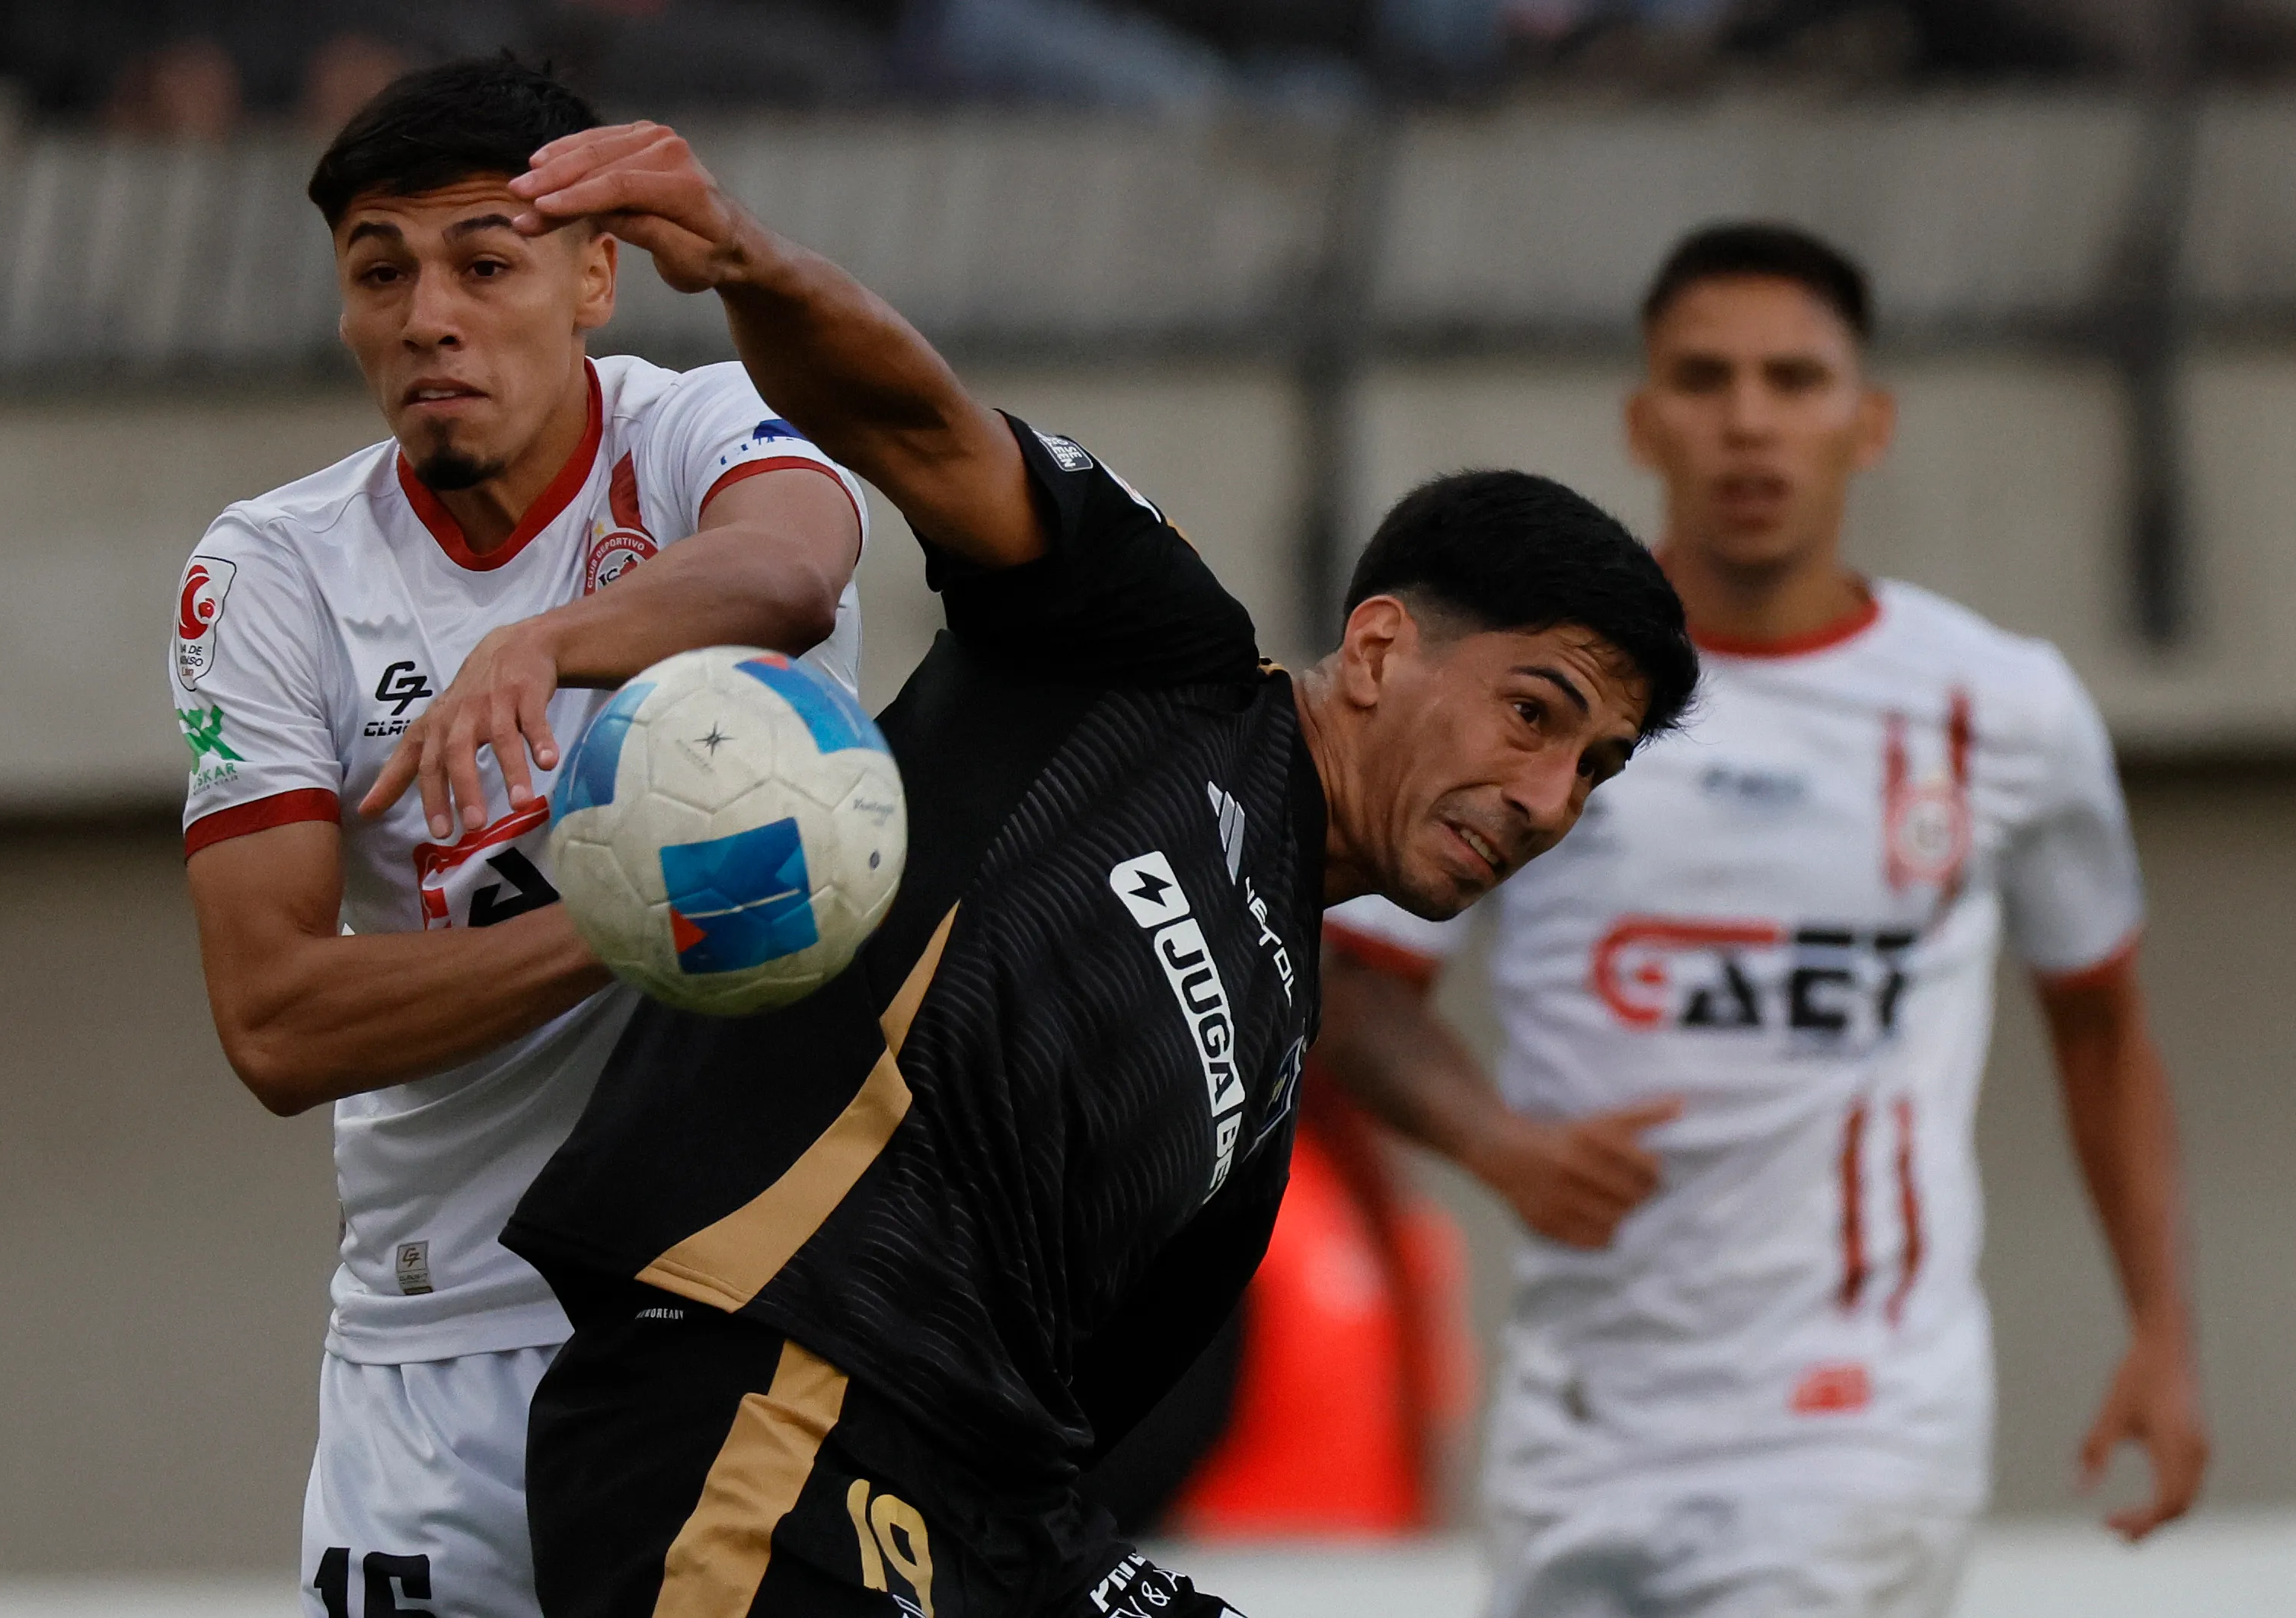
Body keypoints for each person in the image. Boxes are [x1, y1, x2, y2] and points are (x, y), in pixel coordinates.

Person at [488, 122, 1700, 1618]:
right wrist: (741, 254)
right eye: (1534, 716)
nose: (1544, 797)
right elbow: (923, 427)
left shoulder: (1274, 1066)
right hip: (757, 1406)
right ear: (1379, 645)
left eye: (1592, 770)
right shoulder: (1156, 659)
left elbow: (1042, 1440)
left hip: (949, 1525)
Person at [1320, 222, 2210, 1617]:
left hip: (1856, 1424)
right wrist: (1503, 1148)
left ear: (1870, 422)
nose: (1748, 422)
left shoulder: (2003, 706)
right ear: (1642, 418)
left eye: (1794, 381)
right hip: (1582, 1416)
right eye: (1705, 378)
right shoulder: (1536, 706)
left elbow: (2100, 1027)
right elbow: (1361, 982)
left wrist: (2163, 1333)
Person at [170, 61, 868, 1618]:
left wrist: (547, 642)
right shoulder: (273, 577)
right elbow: (276, 1022)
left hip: (754, 1313)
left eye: (485, 264)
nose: (430, 315)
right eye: (380, 271)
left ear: (593, 278)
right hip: (437, 1353)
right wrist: (629, 920)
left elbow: (791, 575)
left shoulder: (705, 427)